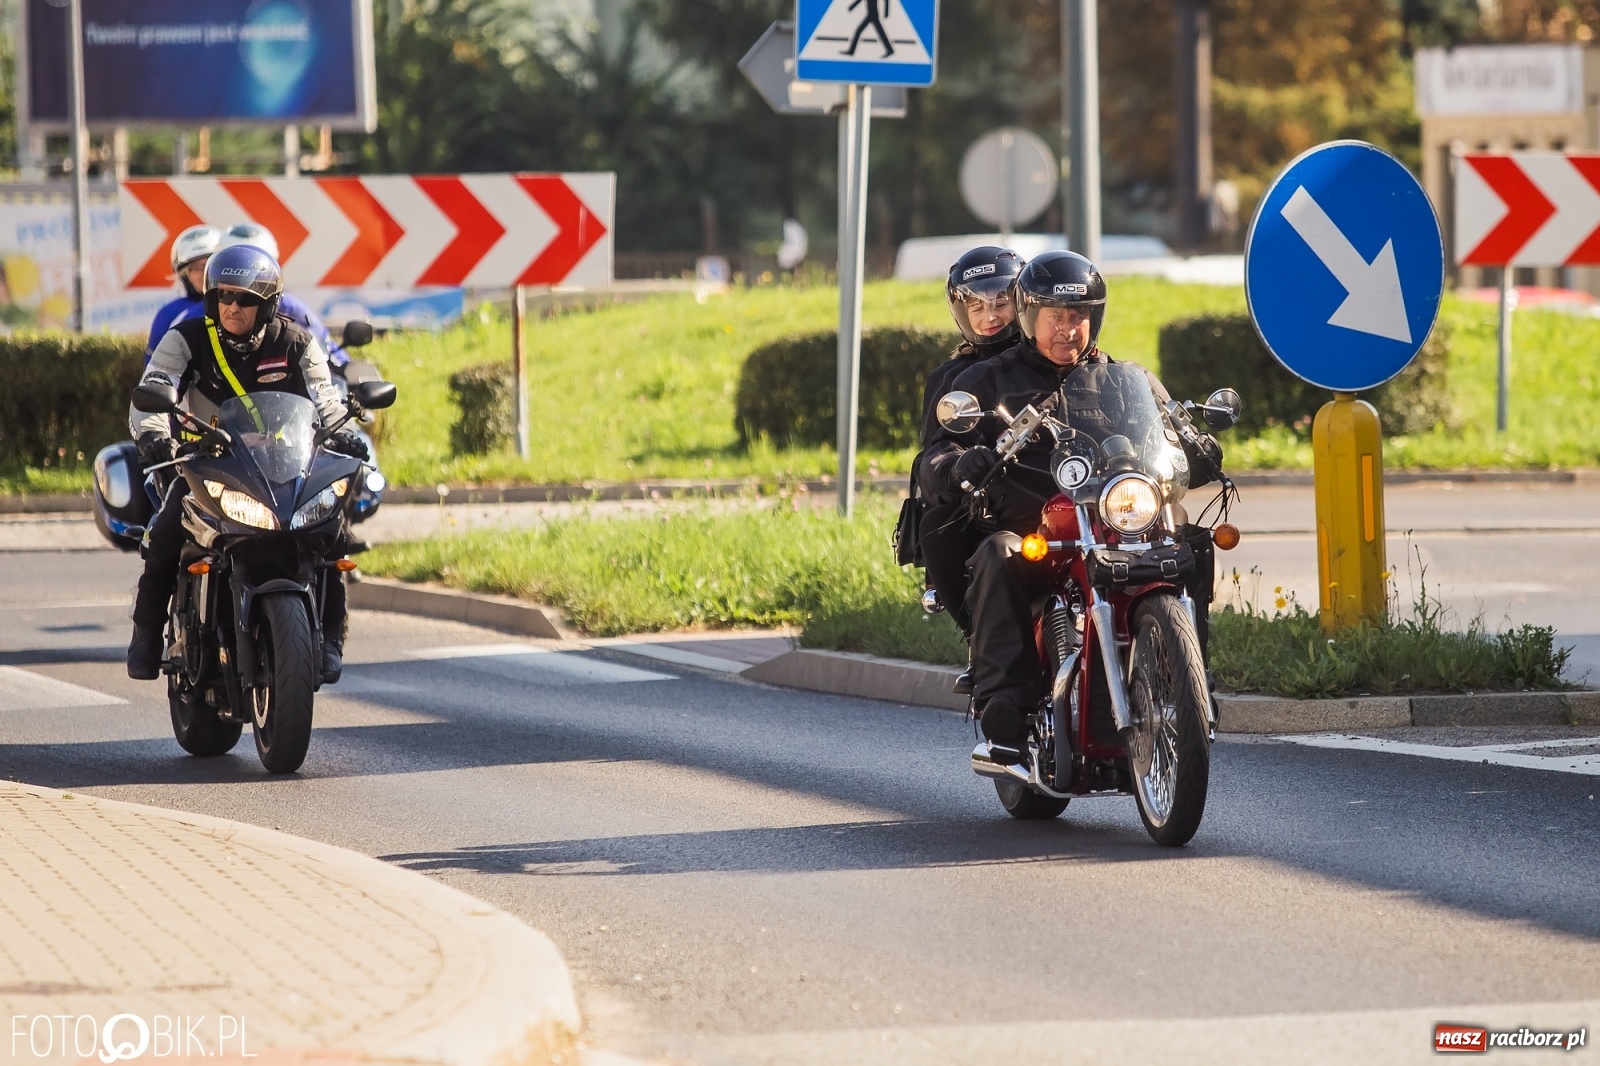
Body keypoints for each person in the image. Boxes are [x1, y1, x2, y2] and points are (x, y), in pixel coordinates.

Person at [919, 250, 1223, 763]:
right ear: (1030, 317)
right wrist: (957, 464)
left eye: (1078, 316)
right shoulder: (985, 380)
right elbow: (935, 454)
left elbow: (1169, 428)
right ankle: (1005, 712)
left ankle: (1191, 677)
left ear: (1094, 318)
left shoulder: (1125, 379)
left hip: (1113, 522)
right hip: (1037, 530)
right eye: (1055, 317)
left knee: (1191, 539)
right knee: (999, 554)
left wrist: (1198, 446)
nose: (1067, 329)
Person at [125, 244, 370, 684]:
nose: (232, 307)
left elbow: (326, 398)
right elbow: (153, 389)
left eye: (245, 299)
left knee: (332, 534)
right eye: (223, 296)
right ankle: (145, 635)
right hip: (207, 463)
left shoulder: (296, 341)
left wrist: (344, 432)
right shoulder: (186, 339)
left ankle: (331, 635)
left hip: (283, 465)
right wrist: (155, 437)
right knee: (163, 533)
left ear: (269, 304)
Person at [909, 247, 1024, 693]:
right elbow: (932, 457)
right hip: (991, 507)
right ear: (960, 309)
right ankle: (984, 648)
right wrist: (957, 466)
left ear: (1024, 301)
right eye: (975, 304)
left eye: (1000, 301)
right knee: (937, 524)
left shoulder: (1058, 358)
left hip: (1072, 496)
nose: (989, 315)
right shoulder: (952, 376)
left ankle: (1183, 656)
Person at [213, 223, 344, 366]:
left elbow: (328, 351)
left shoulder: (291, 308)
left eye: (256, 267)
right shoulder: (195, 320)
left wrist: (344, 368)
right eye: (226, 296)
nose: (234, 308)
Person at [145, 225, 220, 358]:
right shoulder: (169, 314)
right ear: (184, 274)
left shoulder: (240, 304)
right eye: (196, 267)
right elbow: (152, 371)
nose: (205, 272)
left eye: (211, 262)